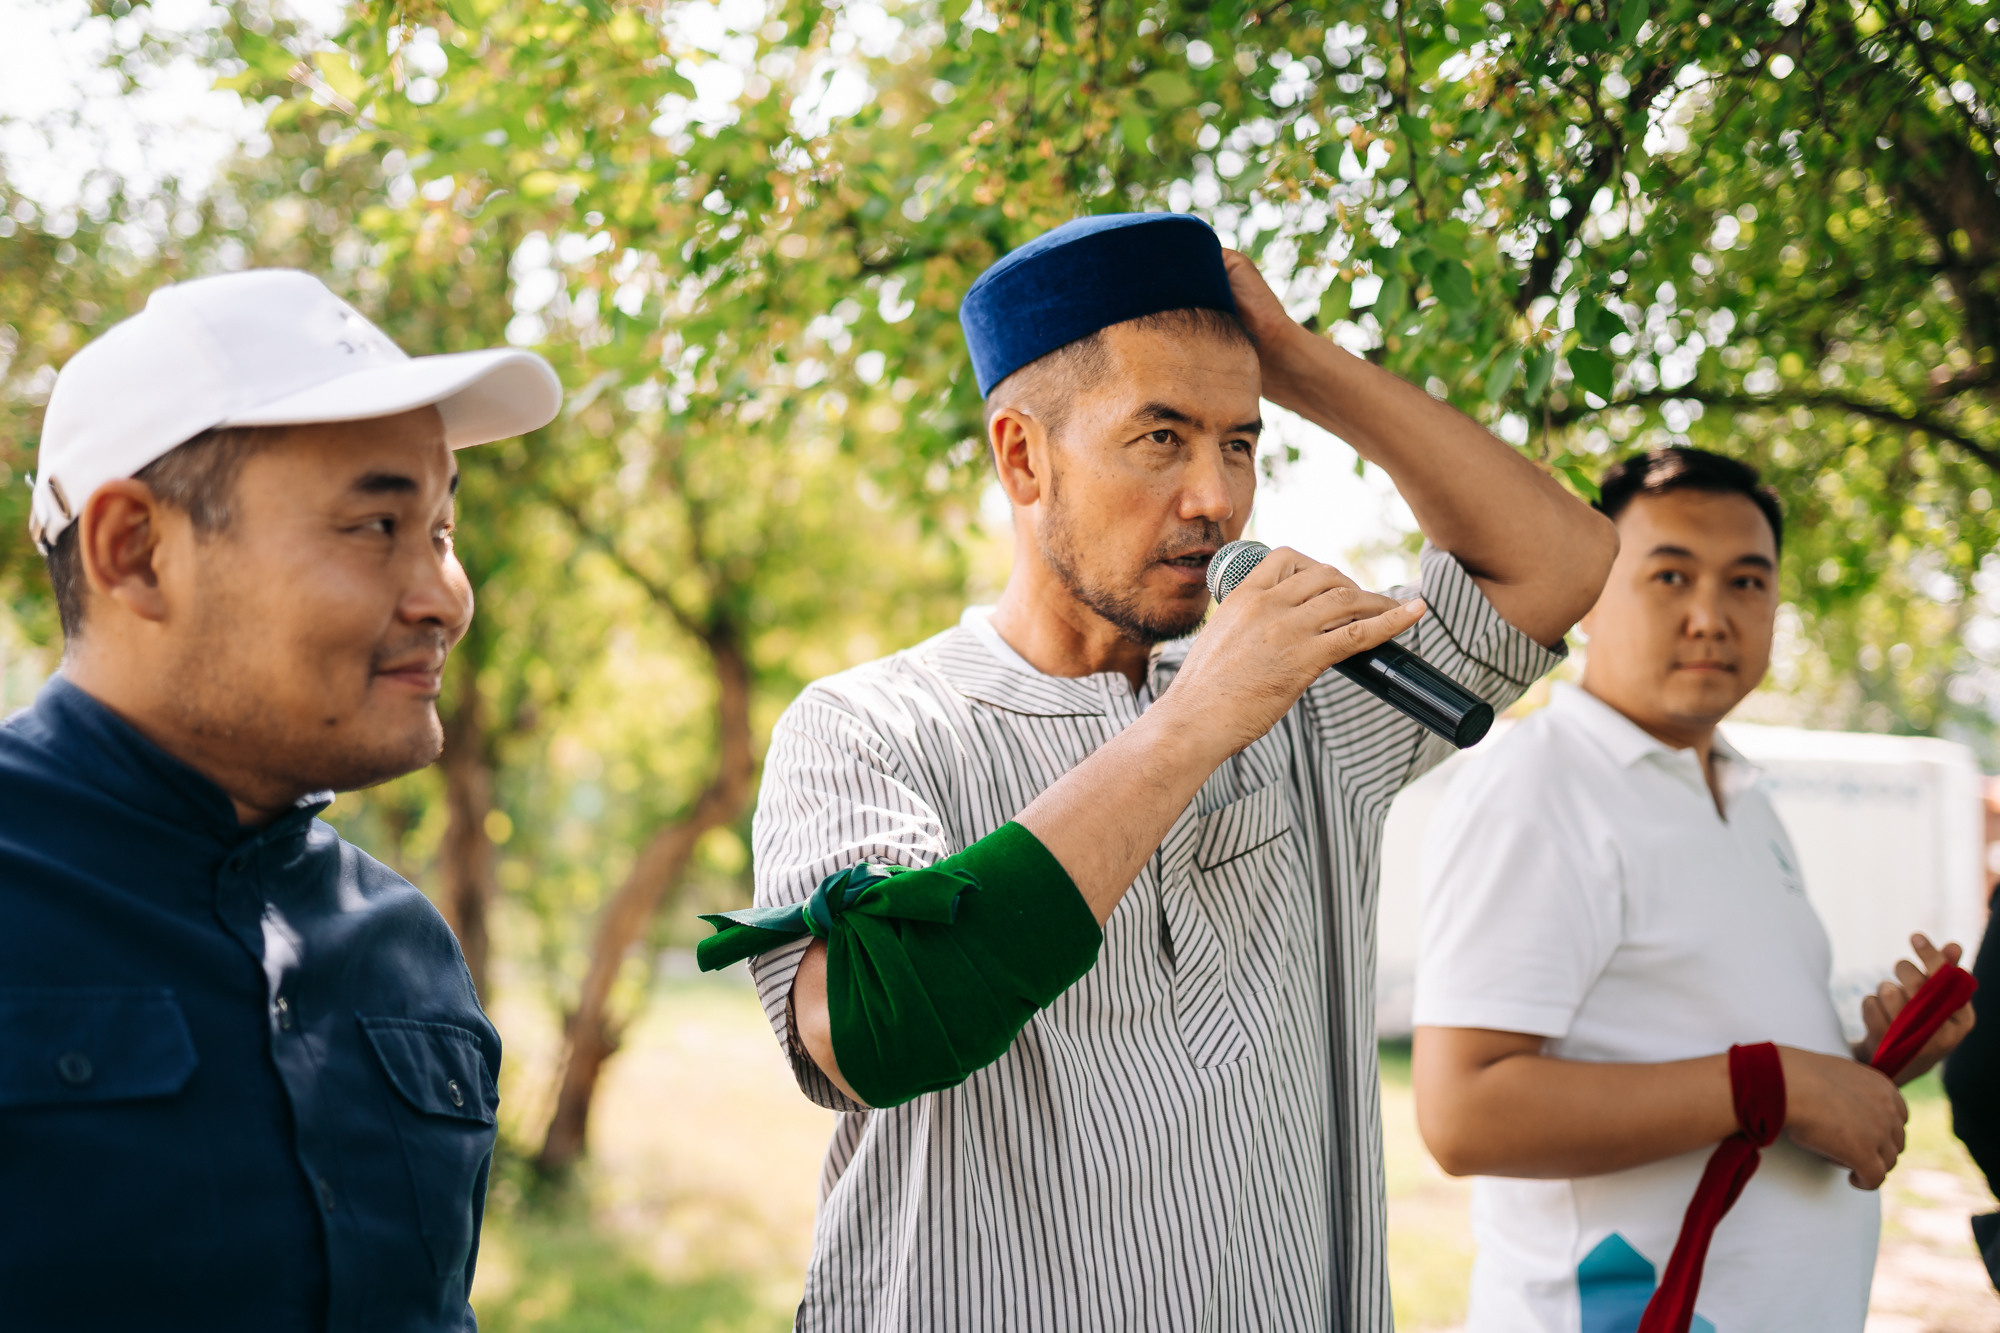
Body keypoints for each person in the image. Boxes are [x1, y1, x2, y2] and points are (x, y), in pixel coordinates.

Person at [714, 213, 1617, 1329]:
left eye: (1238, 443)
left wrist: (1294, 360)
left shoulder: (1307, 698)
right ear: (1022, 457)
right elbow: (871, 1031)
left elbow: (1560, 558)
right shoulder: (869, 727)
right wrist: (1191, 726)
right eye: (1160, 437)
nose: (1215, 498)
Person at [0, 270, 560, 1331]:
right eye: (377, 525)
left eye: (441, 531)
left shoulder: (408, 947)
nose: (446, 596)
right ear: (135, 551)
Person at [1410, 447, 1975, 1333]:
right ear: (1591, 595)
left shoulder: (1743, 795)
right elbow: (1463, 1112)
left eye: (1747, 582)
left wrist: (1867, 1063)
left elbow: (1728, 1071)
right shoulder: (1543, 783)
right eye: (1670, 575)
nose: (1711, 616)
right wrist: (1775, 1082)